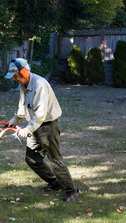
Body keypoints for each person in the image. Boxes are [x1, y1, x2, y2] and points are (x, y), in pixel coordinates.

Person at [5, 58, 80, 201]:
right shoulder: (23, 86)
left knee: (55, 160)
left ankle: (72, 191)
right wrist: (10, 123)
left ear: (24, 72)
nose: (14, 79)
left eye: (16, 76)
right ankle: (55, 183)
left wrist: (26, 130)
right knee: (32, 159)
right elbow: (22, 110)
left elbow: (40, 115)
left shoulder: (40, 85)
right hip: (35, 127)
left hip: (48, 127)